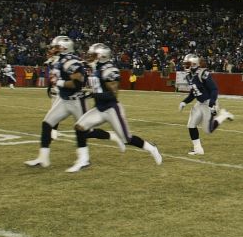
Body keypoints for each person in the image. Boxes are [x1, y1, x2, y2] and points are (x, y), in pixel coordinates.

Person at [65, 43, 163, 172]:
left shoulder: (110, 70)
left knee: (127, 139)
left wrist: (92, 94)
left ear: (102, 56)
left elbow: (113, 94)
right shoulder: (95, 68)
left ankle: (151, 147)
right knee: (79, 127)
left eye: (93, 55)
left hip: (112, 109)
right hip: (99, 109)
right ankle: (83, 160)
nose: (89, 57)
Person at [25, 36, 112, 168]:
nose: (51, 49)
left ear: (64, 48)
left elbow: (77, 84)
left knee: (86, 131)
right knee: (47, 124)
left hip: (77, 101)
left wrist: (58, 83)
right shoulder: (57, 60)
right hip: (65, 100)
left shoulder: (70, 61)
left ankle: (87, 157)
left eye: (55, 47)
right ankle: (43, 158)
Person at [178, 53, 234, 155]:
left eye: (187, 64)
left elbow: (214, 89)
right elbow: (194, 92)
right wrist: (184, 102)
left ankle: (223, 115)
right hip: (200, 103)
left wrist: (212, 104)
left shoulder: (203, 73)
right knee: (191, 125)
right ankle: (198, 149)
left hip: (209, 102)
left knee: (208, 130)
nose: (185, 66)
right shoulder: (188, 75)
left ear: (194, 64)